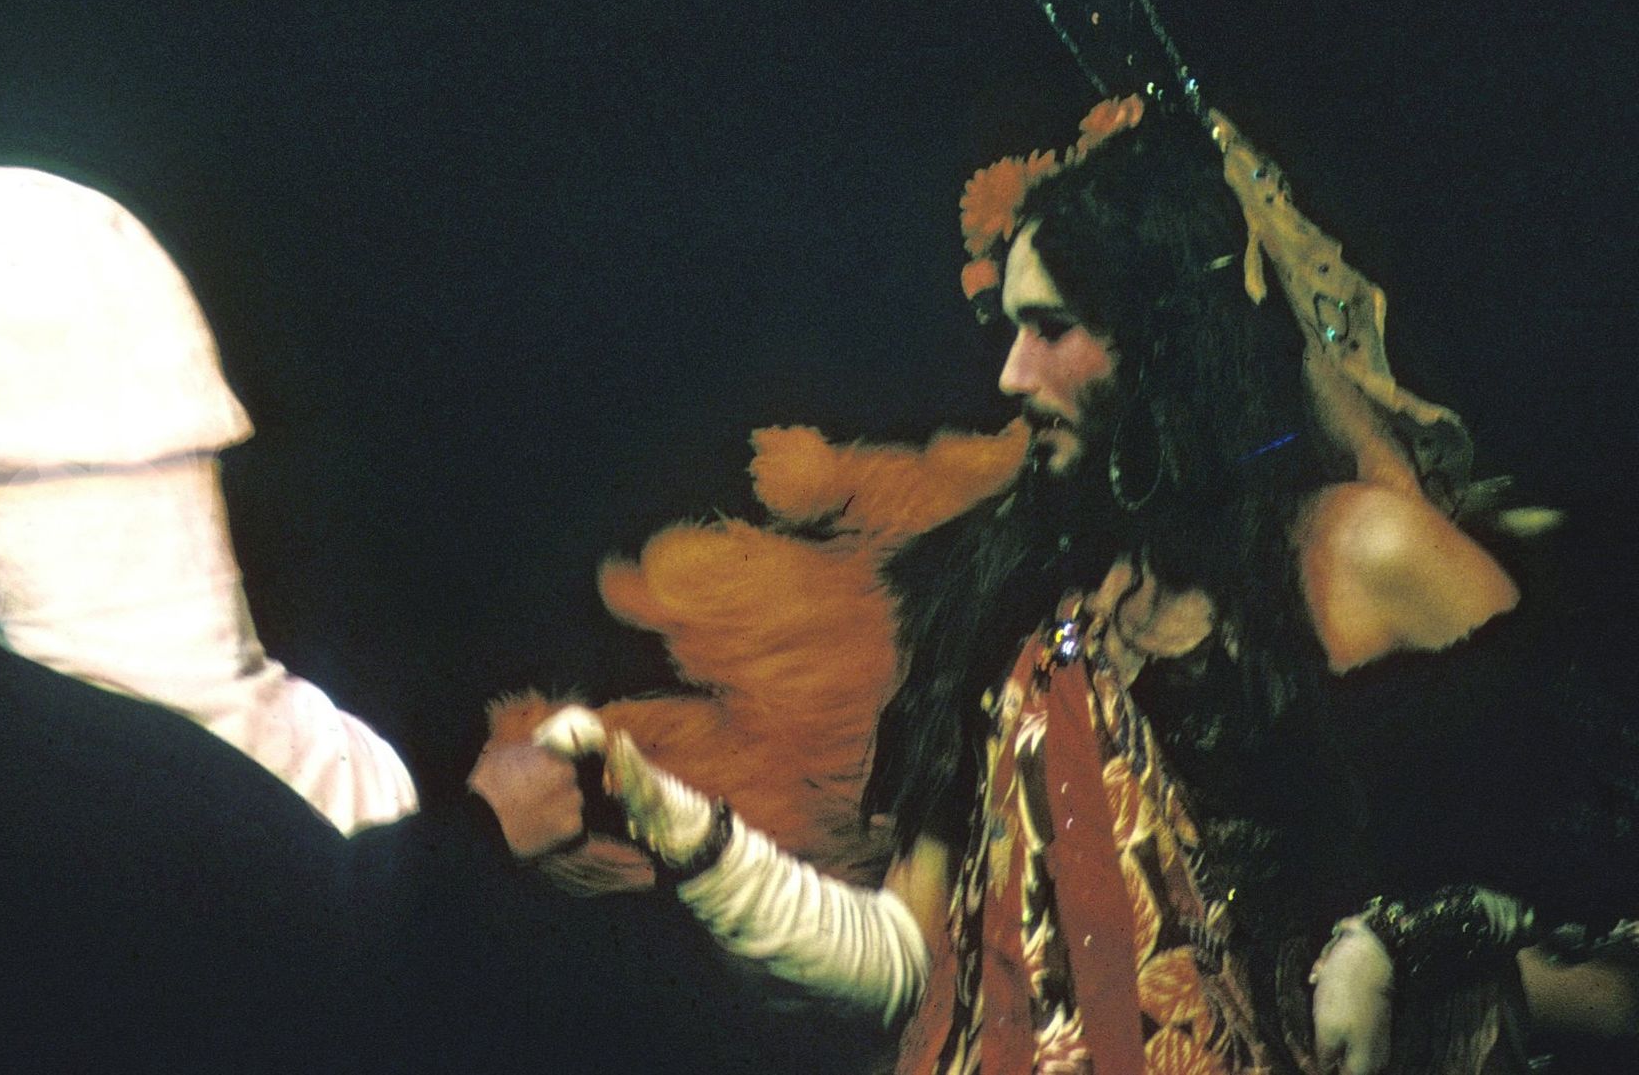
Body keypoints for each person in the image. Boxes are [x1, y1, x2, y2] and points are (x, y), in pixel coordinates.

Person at [530, 101, 1639, 1073]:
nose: (1010, 374)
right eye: (1010, 327)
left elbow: (1605, 935)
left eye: (1050, 328)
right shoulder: (1013, 595)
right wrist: (689, 837)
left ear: (1162, 341)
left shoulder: (1357, 555)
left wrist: (1400, 944)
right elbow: (906, 966)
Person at [0, 166, 590, 1072]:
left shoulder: (94, 718)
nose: (146, 520)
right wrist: (489, 833)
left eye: (174, 470)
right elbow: (265, 965)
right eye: (44, 483)